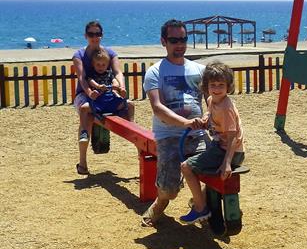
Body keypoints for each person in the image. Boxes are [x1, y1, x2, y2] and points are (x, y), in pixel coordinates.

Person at [141, 19, 208, 227]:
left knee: (221, 169)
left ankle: (199, 202)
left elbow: (211, 100)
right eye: (173, 40)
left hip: (197, 134)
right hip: (169, 135)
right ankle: (159, 203)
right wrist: (185, 122)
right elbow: (158, 108)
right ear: (164, 41)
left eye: (183, 39)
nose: (179, 44)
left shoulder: (199, 70)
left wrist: (207, 117)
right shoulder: (155, 72)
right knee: (169, 190)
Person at [179, 62, 245, 224]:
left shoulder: (226, 107)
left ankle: (201, 208)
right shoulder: (211, 100)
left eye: (221, 85)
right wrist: (206, 119)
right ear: (206, 87)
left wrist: (227, 163)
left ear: (228, 86)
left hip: (230, 151)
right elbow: (210, 111)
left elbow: (232, 136)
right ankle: (204, 200)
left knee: (186, 167)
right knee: (201, 166)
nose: (216, 89)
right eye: (213, 85)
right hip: (219, 147)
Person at [73, 21, 134, 176]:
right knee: (85, 111)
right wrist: (89, 92)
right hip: (86, 93)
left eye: (97, 34)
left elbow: (118, 72)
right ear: (86, 36)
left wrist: (121, 87)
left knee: (127, 107)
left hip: (107, 93)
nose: (95, 37)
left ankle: (135, 135)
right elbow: (82, 77)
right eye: (91, 34)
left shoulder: (110, 53)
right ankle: (83, 161)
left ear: (101, 35)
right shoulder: (79, 55)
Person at [86, 48, 128, 115]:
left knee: (127, 103)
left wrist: (116, 85)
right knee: (93, 98)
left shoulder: (109, 73)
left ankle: (130, 121)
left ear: (107, 65)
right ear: (93, 64)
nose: (101, 67)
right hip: (98, 98)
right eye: (98, 64)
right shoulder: (92, 73)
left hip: (110, 97)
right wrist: (98, 86)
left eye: (103, 65)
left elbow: (114, 80)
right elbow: (90, 80)